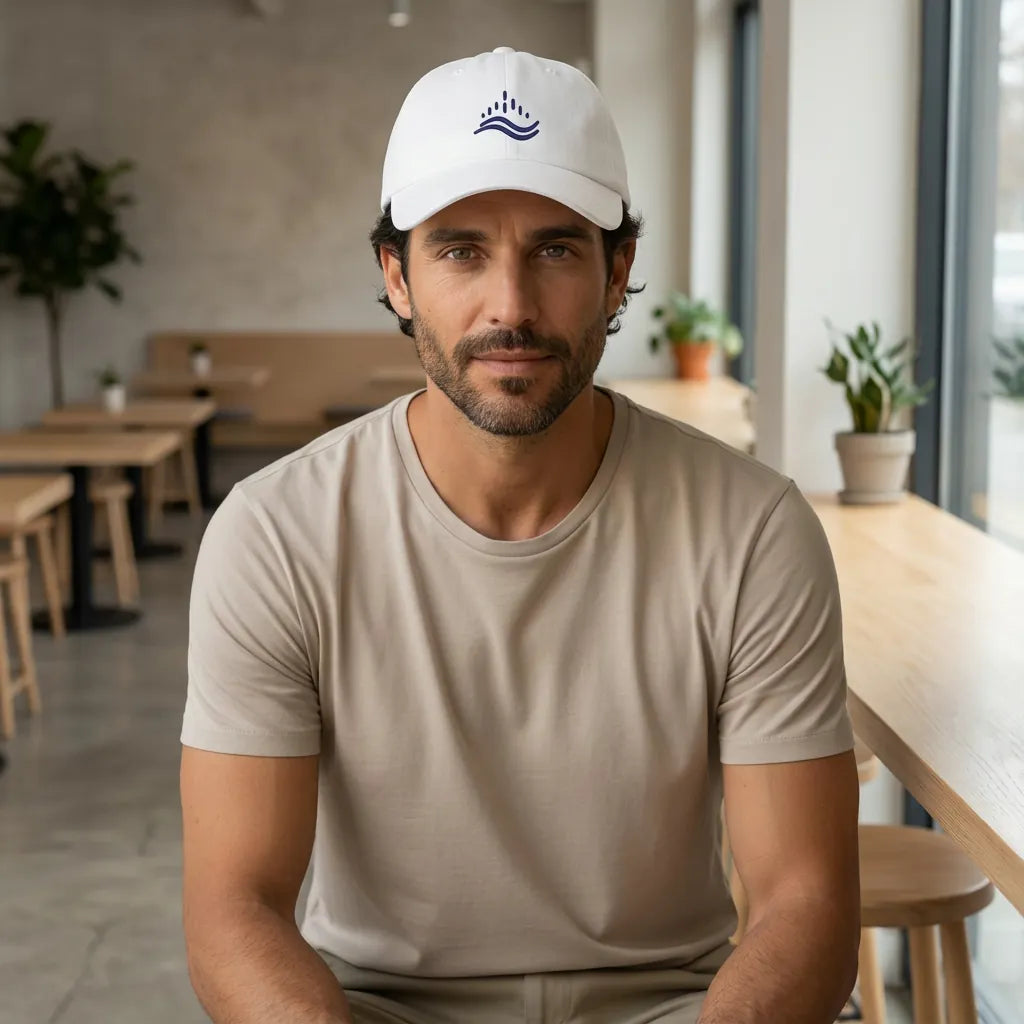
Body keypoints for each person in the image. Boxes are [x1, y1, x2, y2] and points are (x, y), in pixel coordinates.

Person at [180, 46, 860, 1024]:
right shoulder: (275, 533)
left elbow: (805, 901)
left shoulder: (750, 528)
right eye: (460, 249)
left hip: (674, 1006)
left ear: (617, 270)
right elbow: (232, 910)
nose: (510, 307)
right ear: (397, 275)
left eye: (554, 249)